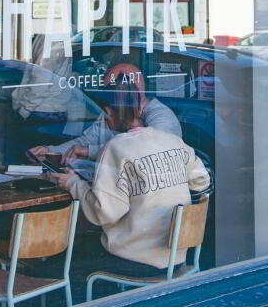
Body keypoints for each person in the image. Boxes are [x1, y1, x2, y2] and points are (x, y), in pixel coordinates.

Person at [50, 74, 210, 278]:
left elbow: (104, 213)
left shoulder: (115, 148)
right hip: (177, 257)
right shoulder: (173, 141)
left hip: (136, 258)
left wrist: (73, 183)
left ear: (108, 112)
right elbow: (201, 181)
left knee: (58, 264)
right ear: (141, 107)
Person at [28, 64, 181, 166]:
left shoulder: (161, 117)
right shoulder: (112, 113)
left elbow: (146, 150)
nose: (112, 94)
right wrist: (50, 151)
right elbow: (85, 141)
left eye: (117, 90)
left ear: (136, 94)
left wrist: (89, 152)